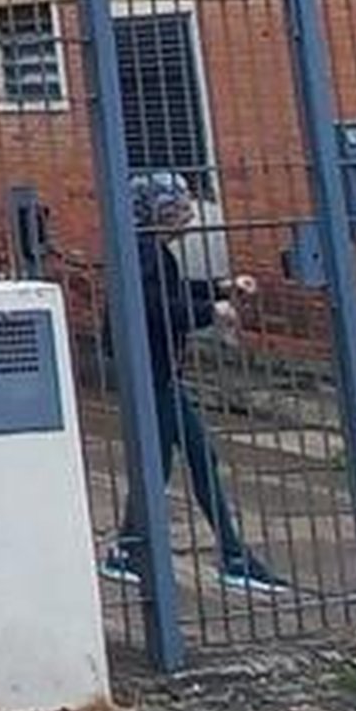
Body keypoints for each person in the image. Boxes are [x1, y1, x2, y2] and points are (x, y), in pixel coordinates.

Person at [98, 172, 292, 593]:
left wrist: (219, 288)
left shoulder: (147, 250)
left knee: (187, 459)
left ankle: (151, 550)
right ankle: (147, 550)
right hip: (150, 373)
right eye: (177, 206)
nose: (186, 214)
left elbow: (169, 291)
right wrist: (210, 311)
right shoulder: (144, 251)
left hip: (156, 371)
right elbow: (152, 305)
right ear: (157, 211)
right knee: (173, 462)